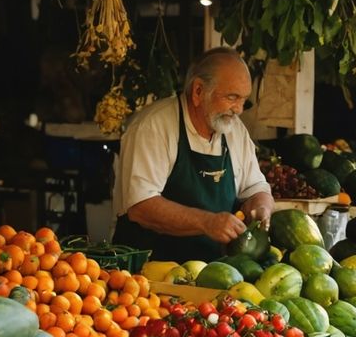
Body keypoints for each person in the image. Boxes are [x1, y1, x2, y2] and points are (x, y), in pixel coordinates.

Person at [113, 47, 273, 262]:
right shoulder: (153, 127)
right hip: (149, 275)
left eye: (243, 100)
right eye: (232, 97)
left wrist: (261, 207)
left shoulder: (235, 131)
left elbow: (256, 188)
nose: (238, 109)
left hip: (212, 273)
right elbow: (141, 207)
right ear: (198, 91)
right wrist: (207, 222)